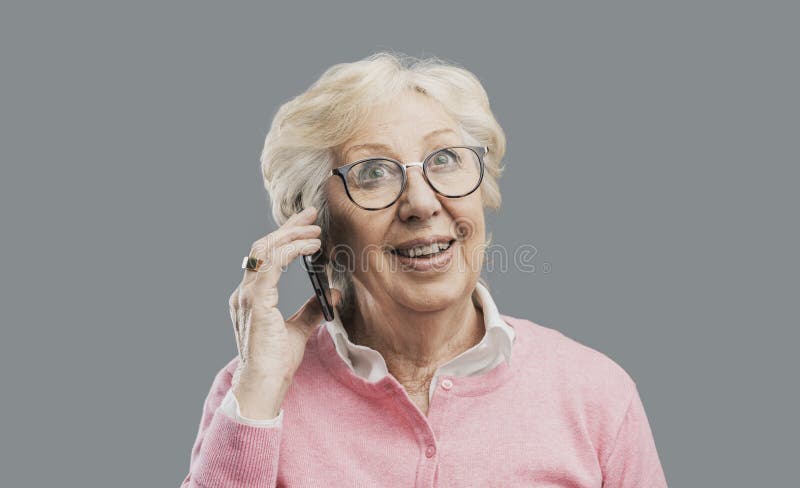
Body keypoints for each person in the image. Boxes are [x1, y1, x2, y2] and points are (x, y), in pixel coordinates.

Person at [179, 52, 668, 487]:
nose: (421, 203)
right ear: (315, 228)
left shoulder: (596, 395)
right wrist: (260, 389)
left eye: (445, 159)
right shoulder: (249, 394)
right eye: (372, 171)